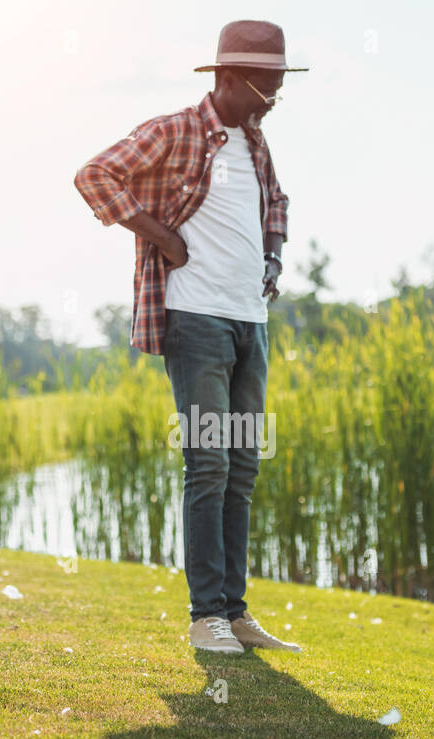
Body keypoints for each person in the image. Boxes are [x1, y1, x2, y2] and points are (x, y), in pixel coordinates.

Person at [75, 21, 306, 654]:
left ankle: (235, 612)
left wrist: (274, 258)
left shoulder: (256, 144)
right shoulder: (174, 130)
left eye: (280, 87)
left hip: (249, 322)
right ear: (228, 79)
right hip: (195, 320)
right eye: (267, 87)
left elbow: (277, 203)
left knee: (242, 468)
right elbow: (95, 176)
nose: (273, 100)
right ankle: (206, 617)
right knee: (207, 463)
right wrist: (162, 236)